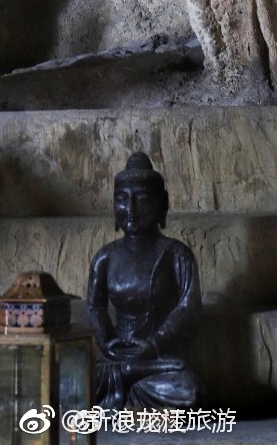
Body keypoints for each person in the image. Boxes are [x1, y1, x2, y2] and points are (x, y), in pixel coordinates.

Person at [86, 152, 202, 410]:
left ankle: (129, 380)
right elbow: (95, 307)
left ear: (162, 204)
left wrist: (153, 345)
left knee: (187, 388)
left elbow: (189, 307)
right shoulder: (105, 257)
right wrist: (107, 342)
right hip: (117, 355)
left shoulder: (176, 254)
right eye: (122, 198)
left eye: (141, 198)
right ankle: (127, 377)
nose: (131, 208)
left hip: (157, 359)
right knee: (71, 379)